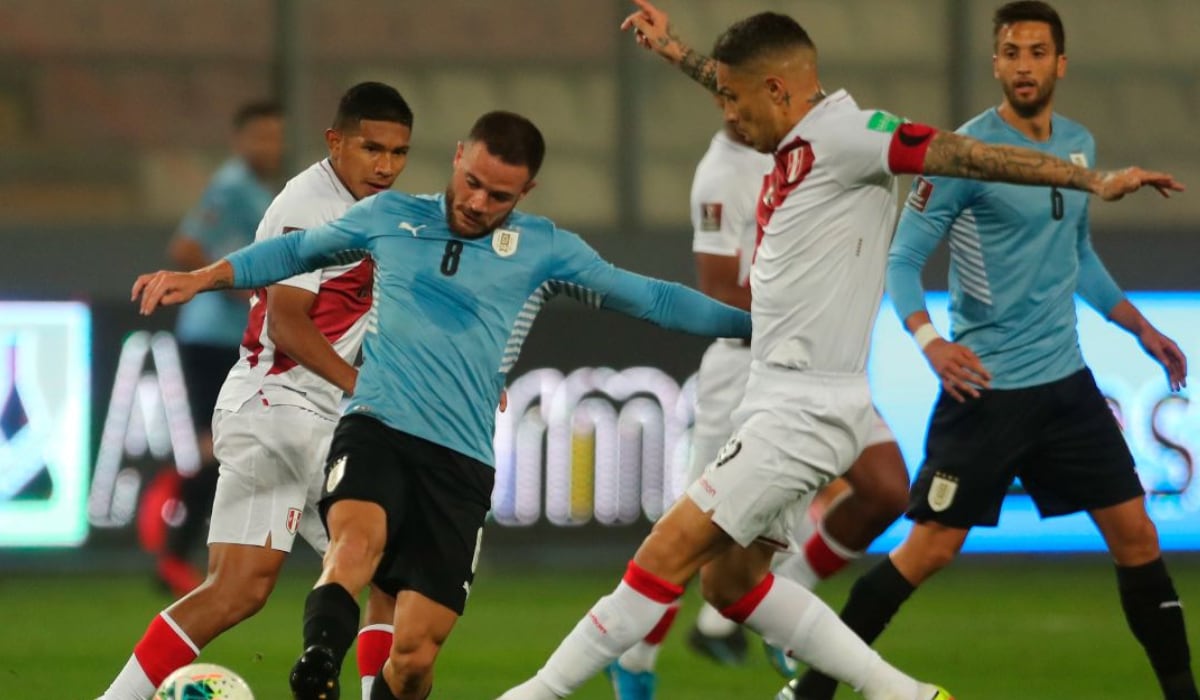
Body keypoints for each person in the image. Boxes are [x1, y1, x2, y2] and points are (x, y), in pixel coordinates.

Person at [495, 3, 1181, 699]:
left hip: (802, 409)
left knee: (660, 557)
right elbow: (745, 82)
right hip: (783, 397)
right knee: (730, 584)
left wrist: (1091, 180)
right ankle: (904, 695)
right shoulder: (792, 129)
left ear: (778, 94)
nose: (728, 114)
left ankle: (533, 695)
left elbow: (965, 153)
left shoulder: (855, 136)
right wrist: (678, 55)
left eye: (735, 98)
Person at [129, 110, 755, 700]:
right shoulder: (390, 217)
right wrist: (204, 277)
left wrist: (757, 325)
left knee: (414, 660)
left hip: (459, 463)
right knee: (353, 548)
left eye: (499, 196)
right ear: (457, 157)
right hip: (375, 427)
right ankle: (319, 660)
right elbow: (294, 253)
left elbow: (654, 299)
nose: (478, 203)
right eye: (473, 182)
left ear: (526, 192)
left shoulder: (547, 251)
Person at [782, 3, 1197, 700]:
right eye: (1012, 52)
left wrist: (1139, 327)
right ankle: (813, 689)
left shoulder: (1078, 146)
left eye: (1038, 52)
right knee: (929, 551)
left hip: (1066, 387)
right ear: (996, 63)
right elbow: (904, 260)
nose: (1025, 65)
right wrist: (930, 342)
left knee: (1138, 538)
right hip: (986, 393)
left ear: (1060, 63)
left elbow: (1080, 258)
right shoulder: (962, 153)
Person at [99, 82, 415, 700]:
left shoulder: (370, 208)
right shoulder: (311, 203)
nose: (385, 165)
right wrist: (367, 388)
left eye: (398, 152)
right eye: (371, 147)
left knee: (258, 588)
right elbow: (289, 322)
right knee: (367, 570)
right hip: (283, 408)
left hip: (291, 411)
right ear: (335, 142)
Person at [607, 109, 910, 700]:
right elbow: (719, 285)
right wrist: (812, 305)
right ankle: (634, 659)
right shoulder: (721, 173)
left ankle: (784, 598)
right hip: (746, 371)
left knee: (886, 488)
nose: (734, 105)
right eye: (725, 93)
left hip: (821, 371)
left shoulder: (806, 149)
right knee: (692, 534)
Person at [154, 99, 284, 596]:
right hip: (209, 335)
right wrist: (232, 284)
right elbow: (184, 248)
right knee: (218, 449)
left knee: (233, 448)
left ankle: (191, 554)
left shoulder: (257, 190)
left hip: (233, 339)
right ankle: (174, 554)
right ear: (239, 140)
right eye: (259, 137)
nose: (268, 146)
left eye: (275, 137)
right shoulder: (231, 186)